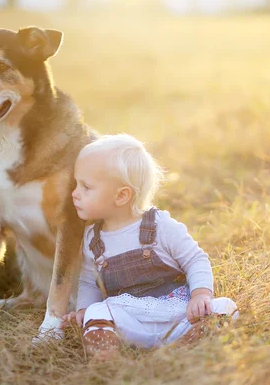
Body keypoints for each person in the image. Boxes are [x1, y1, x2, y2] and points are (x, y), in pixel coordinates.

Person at [61, 133, 238, 360]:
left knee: (226, 307)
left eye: (85, 187)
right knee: (96, 311)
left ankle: (186, 342)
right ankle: (105, 355)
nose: (74, 193)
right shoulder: (92, 239)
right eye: (76, 184)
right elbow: (88, 282)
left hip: (176, 314)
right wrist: (85, 310)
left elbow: (195, 259)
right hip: (130, 321)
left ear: (122, 195)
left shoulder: (159, 226)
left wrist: (200, 295)